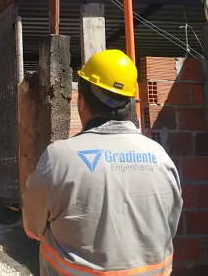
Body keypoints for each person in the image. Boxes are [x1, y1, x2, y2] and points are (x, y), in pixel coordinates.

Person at [22, 49, 183, 276]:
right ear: (130, 104)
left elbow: (32, 228)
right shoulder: (161, 158)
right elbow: (170, 228)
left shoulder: (60, 158)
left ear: (82, 102)